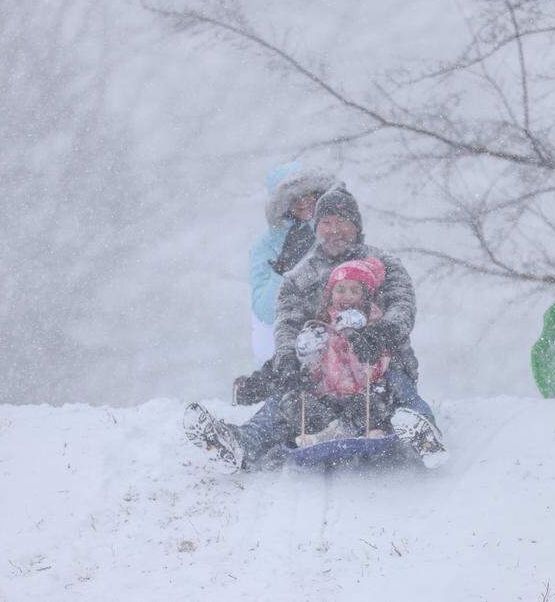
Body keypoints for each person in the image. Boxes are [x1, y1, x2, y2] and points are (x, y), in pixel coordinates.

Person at [186, 185, 445, 470]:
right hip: (325, 378)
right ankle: (241, 443)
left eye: (342, 222)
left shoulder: (384, 264)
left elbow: (402, 305)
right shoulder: (299, 277)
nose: (334, 230)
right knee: (284, 401)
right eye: (326, 223)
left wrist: (383, 333)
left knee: (398, 387)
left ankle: (424, 434)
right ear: (316, 227)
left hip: (377, 372)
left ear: (356, 226)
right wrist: (287, 359)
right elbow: (288, 324)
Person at [233, 164, 335, 405]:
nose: (303, 202)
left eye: (308, 194)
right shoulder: (264, 247)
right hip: (284, 329)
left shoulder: (334, 231)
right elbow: (265, 312)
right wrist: (285, 267)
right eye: (294, 198)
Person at [289, 257, 396, 446]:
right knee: (292, 399)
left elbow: (380, 366)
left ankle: (342, 433)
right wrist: (308, 360)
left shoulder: (374, 325)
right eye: (340, 290)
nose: (346, 296)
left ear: (366, 296)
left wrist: (355, 337)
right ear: (331, 294)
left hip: (361, 393)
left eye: (355, 291)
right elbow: (317, 368)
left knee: (376, 397)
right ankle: (328, 430)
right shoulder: (322, 323)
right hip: (330, 396)